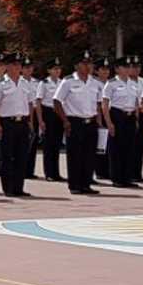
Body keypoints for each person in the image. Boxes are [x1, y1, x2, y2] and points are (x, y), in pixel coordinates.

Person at [53, 51, 101, 195]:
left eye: (89, 63)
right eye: (84, 63)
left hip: (90, 121)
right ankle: (74, 185)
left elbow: (98, 103)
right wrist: (65, 120)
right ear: (76, 66)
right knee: (75, 155)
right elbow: (56, 101)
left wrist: (98, 120)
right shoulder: (68, 81)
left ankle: (86, 183)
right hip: (75, 121)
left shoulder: (95, 82)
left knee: (89, 155)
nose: (88, 66)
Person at [0, 53, 33, 197]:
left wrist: (30, 122)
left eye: (19, 65)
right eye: (14, 64)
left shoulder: (25, 83)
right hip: (7, 122)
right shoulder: (1, 84)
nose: (17, 67)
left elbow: (30, 103)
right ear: (7, 66)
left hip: (22, 122)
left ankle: (18, 187)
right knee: (7, 156)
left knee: (21, 156)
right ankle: (8, 188)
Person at [102, 56, 139, 188]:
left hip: (130, 117)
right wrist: (109, 122)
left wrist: (136, 118)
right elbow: (105, 104)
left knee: (129, 148)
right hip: (117, 116)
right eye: (124, 66)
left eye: (129, 67)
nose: (128, 69)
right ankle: (117, 178)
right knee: (116, 148)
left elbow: (136, 103)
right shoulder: (111, 83)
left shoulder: (134, 84)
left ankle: (127, 177)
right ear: (117, 69)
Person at [36, 58, 65, 181]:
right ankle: (49, 173)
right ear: (49, 70)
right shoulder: (44, 83)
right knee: (48, 144)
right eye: (54, 69)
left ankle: (56, 172)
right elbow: (38, 101)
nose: (57, 71)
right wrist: (40, 120)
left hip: (59, 113)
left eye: (59, 69)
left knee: (57, 144)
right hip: (48, 113)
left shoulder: (62, 82)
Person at [92, 60, 112, 181]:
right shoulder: (94, 83)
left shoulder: (111, 83)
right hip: (97, 116)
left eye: (107, 69)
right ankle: (99, 171)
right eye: (102, 69)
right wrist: (99, 120)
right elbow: (97, 104)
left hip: (110, 116)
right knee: (99, 146)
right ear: (97, 71)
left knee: (109, 146)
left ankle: (108, 170)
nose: (105, 72)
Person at [21, 57, 41, 179]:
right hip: (23, 114)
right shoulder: (19, 82)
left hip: (34, 113)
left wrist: (39, 120)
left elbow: (37, 103)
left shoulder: (37, 83)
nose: (29, 70)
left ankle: (30, 170)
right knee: (23, 145)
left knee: (32, 145)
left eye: (30, 67)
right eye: (26, 67)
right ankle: (22, 170)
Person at [129, 55, 143, 183]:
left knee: (140, 146)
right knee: (131, 146)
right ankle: (129, 173)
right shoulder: (126, 82)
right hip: (131, 115)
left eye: (138, 67)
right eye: (134, 67)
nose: (136, 69)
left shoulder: (142, 81)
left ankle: (137, 173)